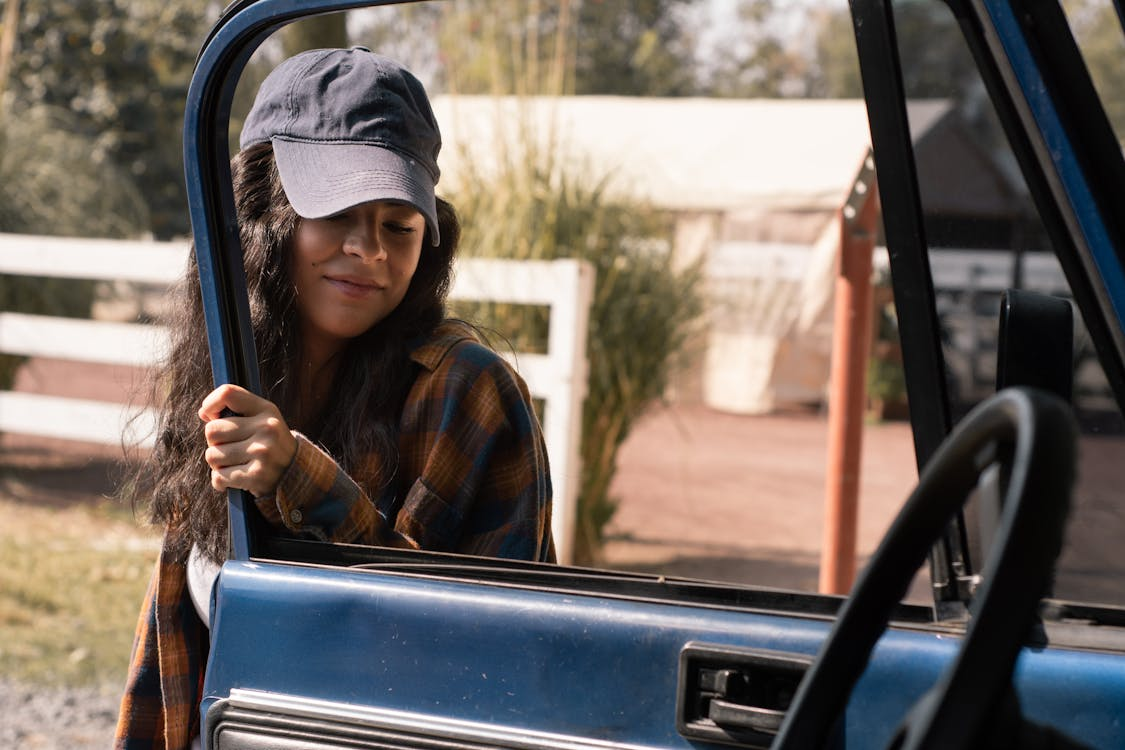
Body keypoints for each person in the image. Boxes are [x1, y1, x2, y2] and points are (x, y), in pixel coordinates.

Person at [115, 47, 555, 749]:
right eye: (337, 213)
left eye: (397, 225)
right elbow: (180, 649)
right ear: (260, 215)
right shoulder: (228, 367)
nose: (369, 250)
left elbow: (472, 663)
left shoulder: (467, 392)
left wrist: (302, 476)